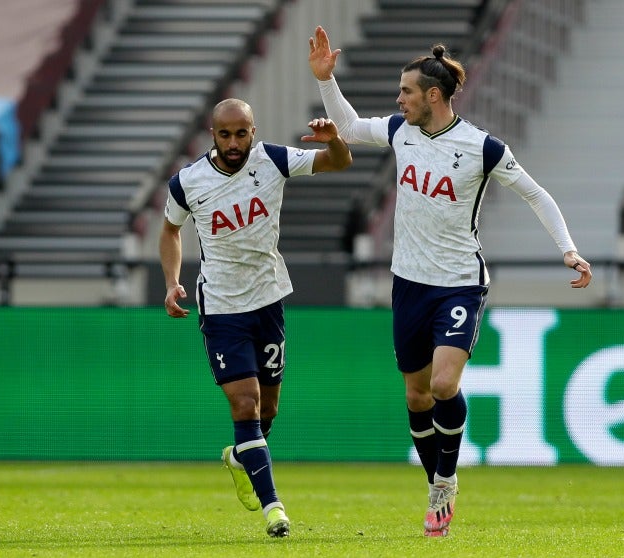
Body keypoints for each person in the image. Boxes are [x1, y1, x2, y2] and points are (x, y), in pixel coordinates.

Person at [308, 26, 592, 537]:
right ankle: (434, 482)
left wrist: (567, 249)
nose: (399, 100)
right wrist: (327, 82)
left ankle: (446, 477)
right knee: (417, 397)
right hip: (408, 282)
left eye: (406, 92)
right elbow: (348, 129)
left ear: (432, 96)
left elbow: (536, 194)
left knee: (443, 384)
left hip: (459, 281)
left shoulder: (482, 148)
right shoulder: (401, 131)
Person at [159, 98, 352, 538]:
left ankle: (239, 455)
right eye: (224, 134)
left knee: (267, 412)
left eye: (240, 133)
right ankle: (274, 509)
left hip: (268, 300)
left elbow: (340, 162)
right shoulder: (187, 182)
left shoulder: (274, 160)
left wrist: (334, 139)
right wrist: (171, 280)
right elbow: (170, 230)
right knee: (245, 403)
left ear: (253, 130)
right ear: (213, 134)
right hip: (223, 306)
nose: (233, 142)